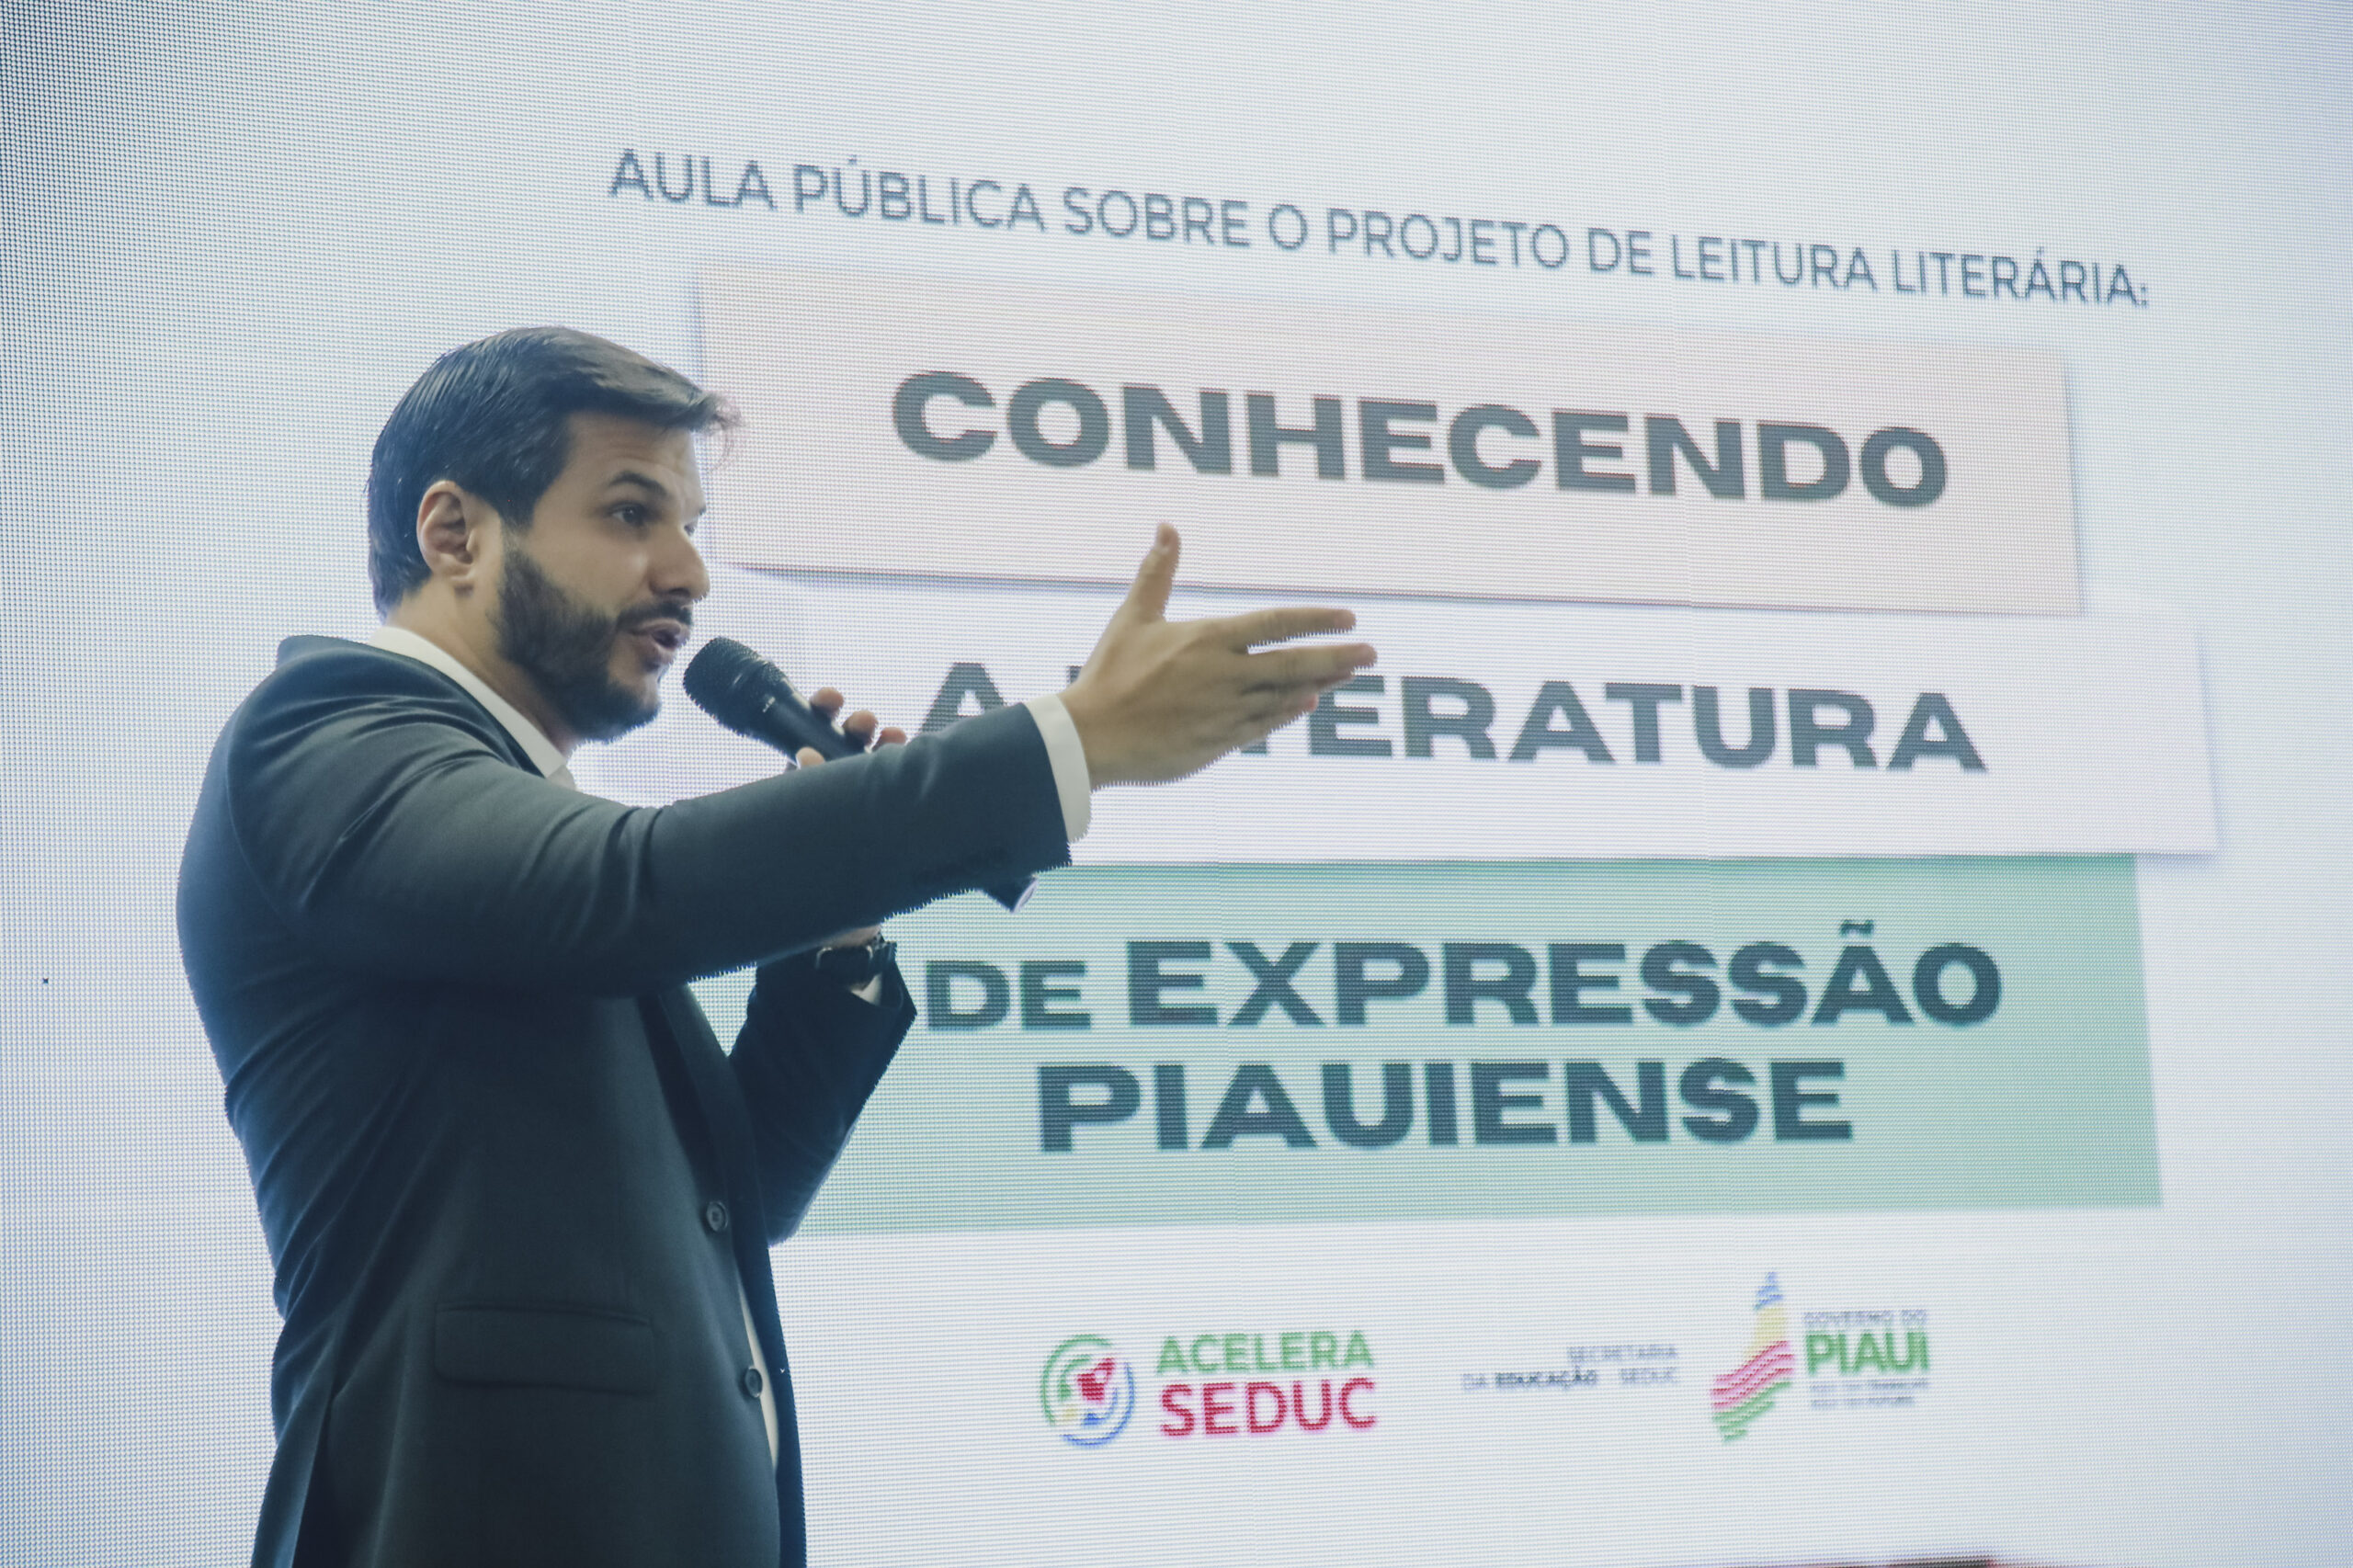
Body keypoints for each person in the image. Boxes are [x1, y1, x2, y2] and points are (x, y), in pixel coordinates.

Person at [177, 326, 1375, 1568]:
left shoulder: (522, 844)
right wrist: (1069, 740)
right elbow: (633, 886)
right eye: (633, 512)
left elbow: (738, 1198)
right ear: (455, 534)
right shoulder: (326, 732)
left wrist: (836, 931)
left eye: (692, 526)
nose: (690, 572)